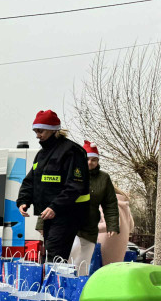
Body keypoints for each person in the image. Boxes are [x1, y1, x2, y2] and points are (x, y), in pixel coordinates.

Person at [16, 110, 90, 263]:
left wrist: (55, 207)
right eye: (35, 131)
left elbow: (75, 186)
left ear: (53, 130)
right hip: (49, 215)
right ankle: (54, 284)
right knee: (53, 254)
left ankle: (54, 286)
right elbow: (30, 181)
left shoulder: (72, 151)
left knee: (55, 256)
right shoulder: (41, 155)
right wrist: (24, 200)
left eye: (40, 130)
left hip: (67, 214)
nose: (37, 135)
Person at [70, 140, 119, 271]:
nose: (90, 162)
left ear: (97, 161)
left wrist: (112, 225)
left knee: (84, 262)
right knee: (71, 255)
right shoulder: (72, 173)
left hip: (90, 225)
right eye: (87, 159)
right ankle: (63, 284)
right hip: (70, 223)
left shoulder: (104, 178)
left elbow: (110, 203)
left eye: (93, 160)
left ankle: (80, 286)